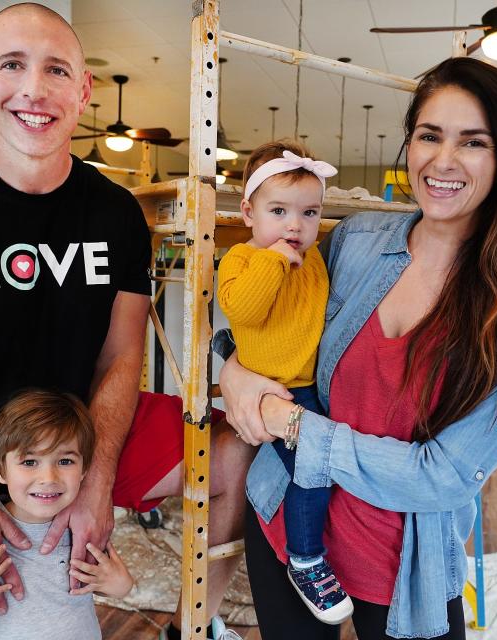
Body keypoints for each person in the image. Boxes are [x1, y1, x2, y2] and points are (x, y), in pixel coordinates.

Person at [0, 4, 252, 639]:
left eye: (56, 69)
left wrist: (98, 479)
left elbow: (120, 358)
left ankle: (197, 627)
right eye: (11, 65)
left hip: (75, 446)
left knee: (237, 455)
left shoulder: (114, 216)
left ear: (83, 90)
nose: (33, 89)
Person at [220, 56, 497, 640]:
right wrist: (234, 371)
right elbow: (275, 330)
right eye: (429, 135)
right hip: (287, 521)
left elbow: (445, 475)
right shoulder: (355, 242)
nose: (443, 160)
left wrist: (293, 426)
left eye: (473, 142)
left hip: (402, 569)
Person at [216, 140, 353, 624]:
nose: (295, 226)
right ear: (249, 213)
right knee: (312, 467)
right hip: (274, 387)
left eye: (309, 213)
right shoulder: (241, 259)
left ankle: (317, 547)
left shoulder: (313, 257)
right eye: (279, 211)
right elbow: (247, 309)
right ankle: (305, 558)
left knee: (327, 470)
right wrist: (274, 259)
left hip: (310, 382)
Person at [0, 389, 133, 639]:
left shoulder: (83, 527)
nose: (48, 478)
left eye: (65, 461)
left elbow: (111, 587)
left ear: (84, 468)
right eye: (29, 462)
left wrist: (121, 586)